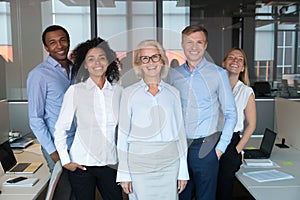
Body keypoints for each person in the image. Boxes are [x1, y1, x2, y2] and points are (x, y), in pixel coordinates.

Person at [168, 25, 237, 200]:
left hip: (207, 148)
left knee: (206, 197)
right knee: (180, 196)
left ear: (205, 45)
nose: (194, 47)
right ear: (182, 45)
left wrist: (220, 149)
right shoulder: (173, 75)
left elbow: (231, 113)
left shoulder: (218, 74)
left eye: (199, 42)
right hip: (180, 148)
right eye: (189, 42)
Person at [117, 39, 189, 200]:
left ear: (162, 60)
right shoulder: (128, 93)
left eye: (155, 57)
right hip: (138, 163)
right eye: (145, 58)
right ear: (139, 63)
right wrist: (123, 173)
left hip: (170, 163)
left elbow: (180, 134)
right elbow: (122, 135)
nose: (151, 62)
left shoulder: (173, 93)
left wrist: (183, 170)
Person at [54, 37, 123, 200]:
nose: (97, 63)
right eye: (91, 59)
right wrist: (65, 161)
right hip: (82, 164)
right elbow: (60, 128)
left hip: (110, 163)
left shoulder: (118, 91)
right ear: (85, 64)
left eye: (102, 58)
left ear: (109, 61)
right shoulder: (75, 91)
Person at [27, 25, 76, 199]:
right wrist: (54, 153)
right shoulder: (39, 75)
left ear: (69, 41)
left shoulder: (77, 70)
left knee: (79, 192)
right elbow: (35, 118)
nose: (60, 46)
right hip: (57, 146)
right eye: (53, 43)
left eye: (63, 40)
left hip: (79, 146)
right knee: (64, 193)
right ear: (46, 48)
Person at [217, 48, 256, 200]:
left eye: (240, 59)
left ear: (243, 67)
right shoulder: (214, 87)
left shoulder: (246, 92)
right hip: (211, 138)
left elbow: (251, 124)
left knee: (224, 188)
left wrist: (237, 149)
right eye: (231, 58)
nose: (235, 61)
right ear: (224, 63)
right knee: (207, 184)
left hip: (231, 142)